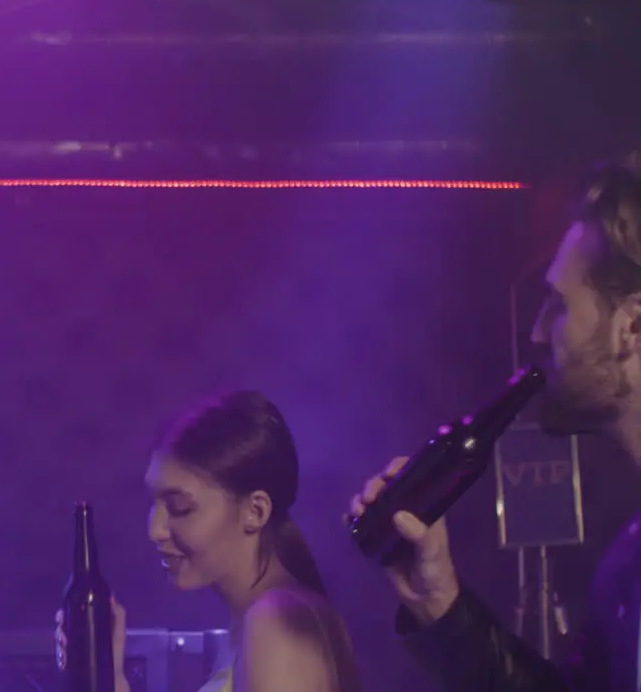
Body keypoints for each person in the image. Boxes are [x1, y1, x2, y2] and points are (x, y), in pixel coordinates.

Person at [349, 156, 641, 691]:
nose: (536, 332)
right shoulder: (630, 560)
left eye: (559, 305)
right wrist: (442, 605)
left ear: (633, 327)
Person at [57, 391, 363, 692]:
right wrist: (110, 679)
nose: (156, 529)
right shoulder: (254, 623)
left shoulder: (275, 625)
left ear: (255, 511)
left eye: (180, 508)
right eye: (155, 502)